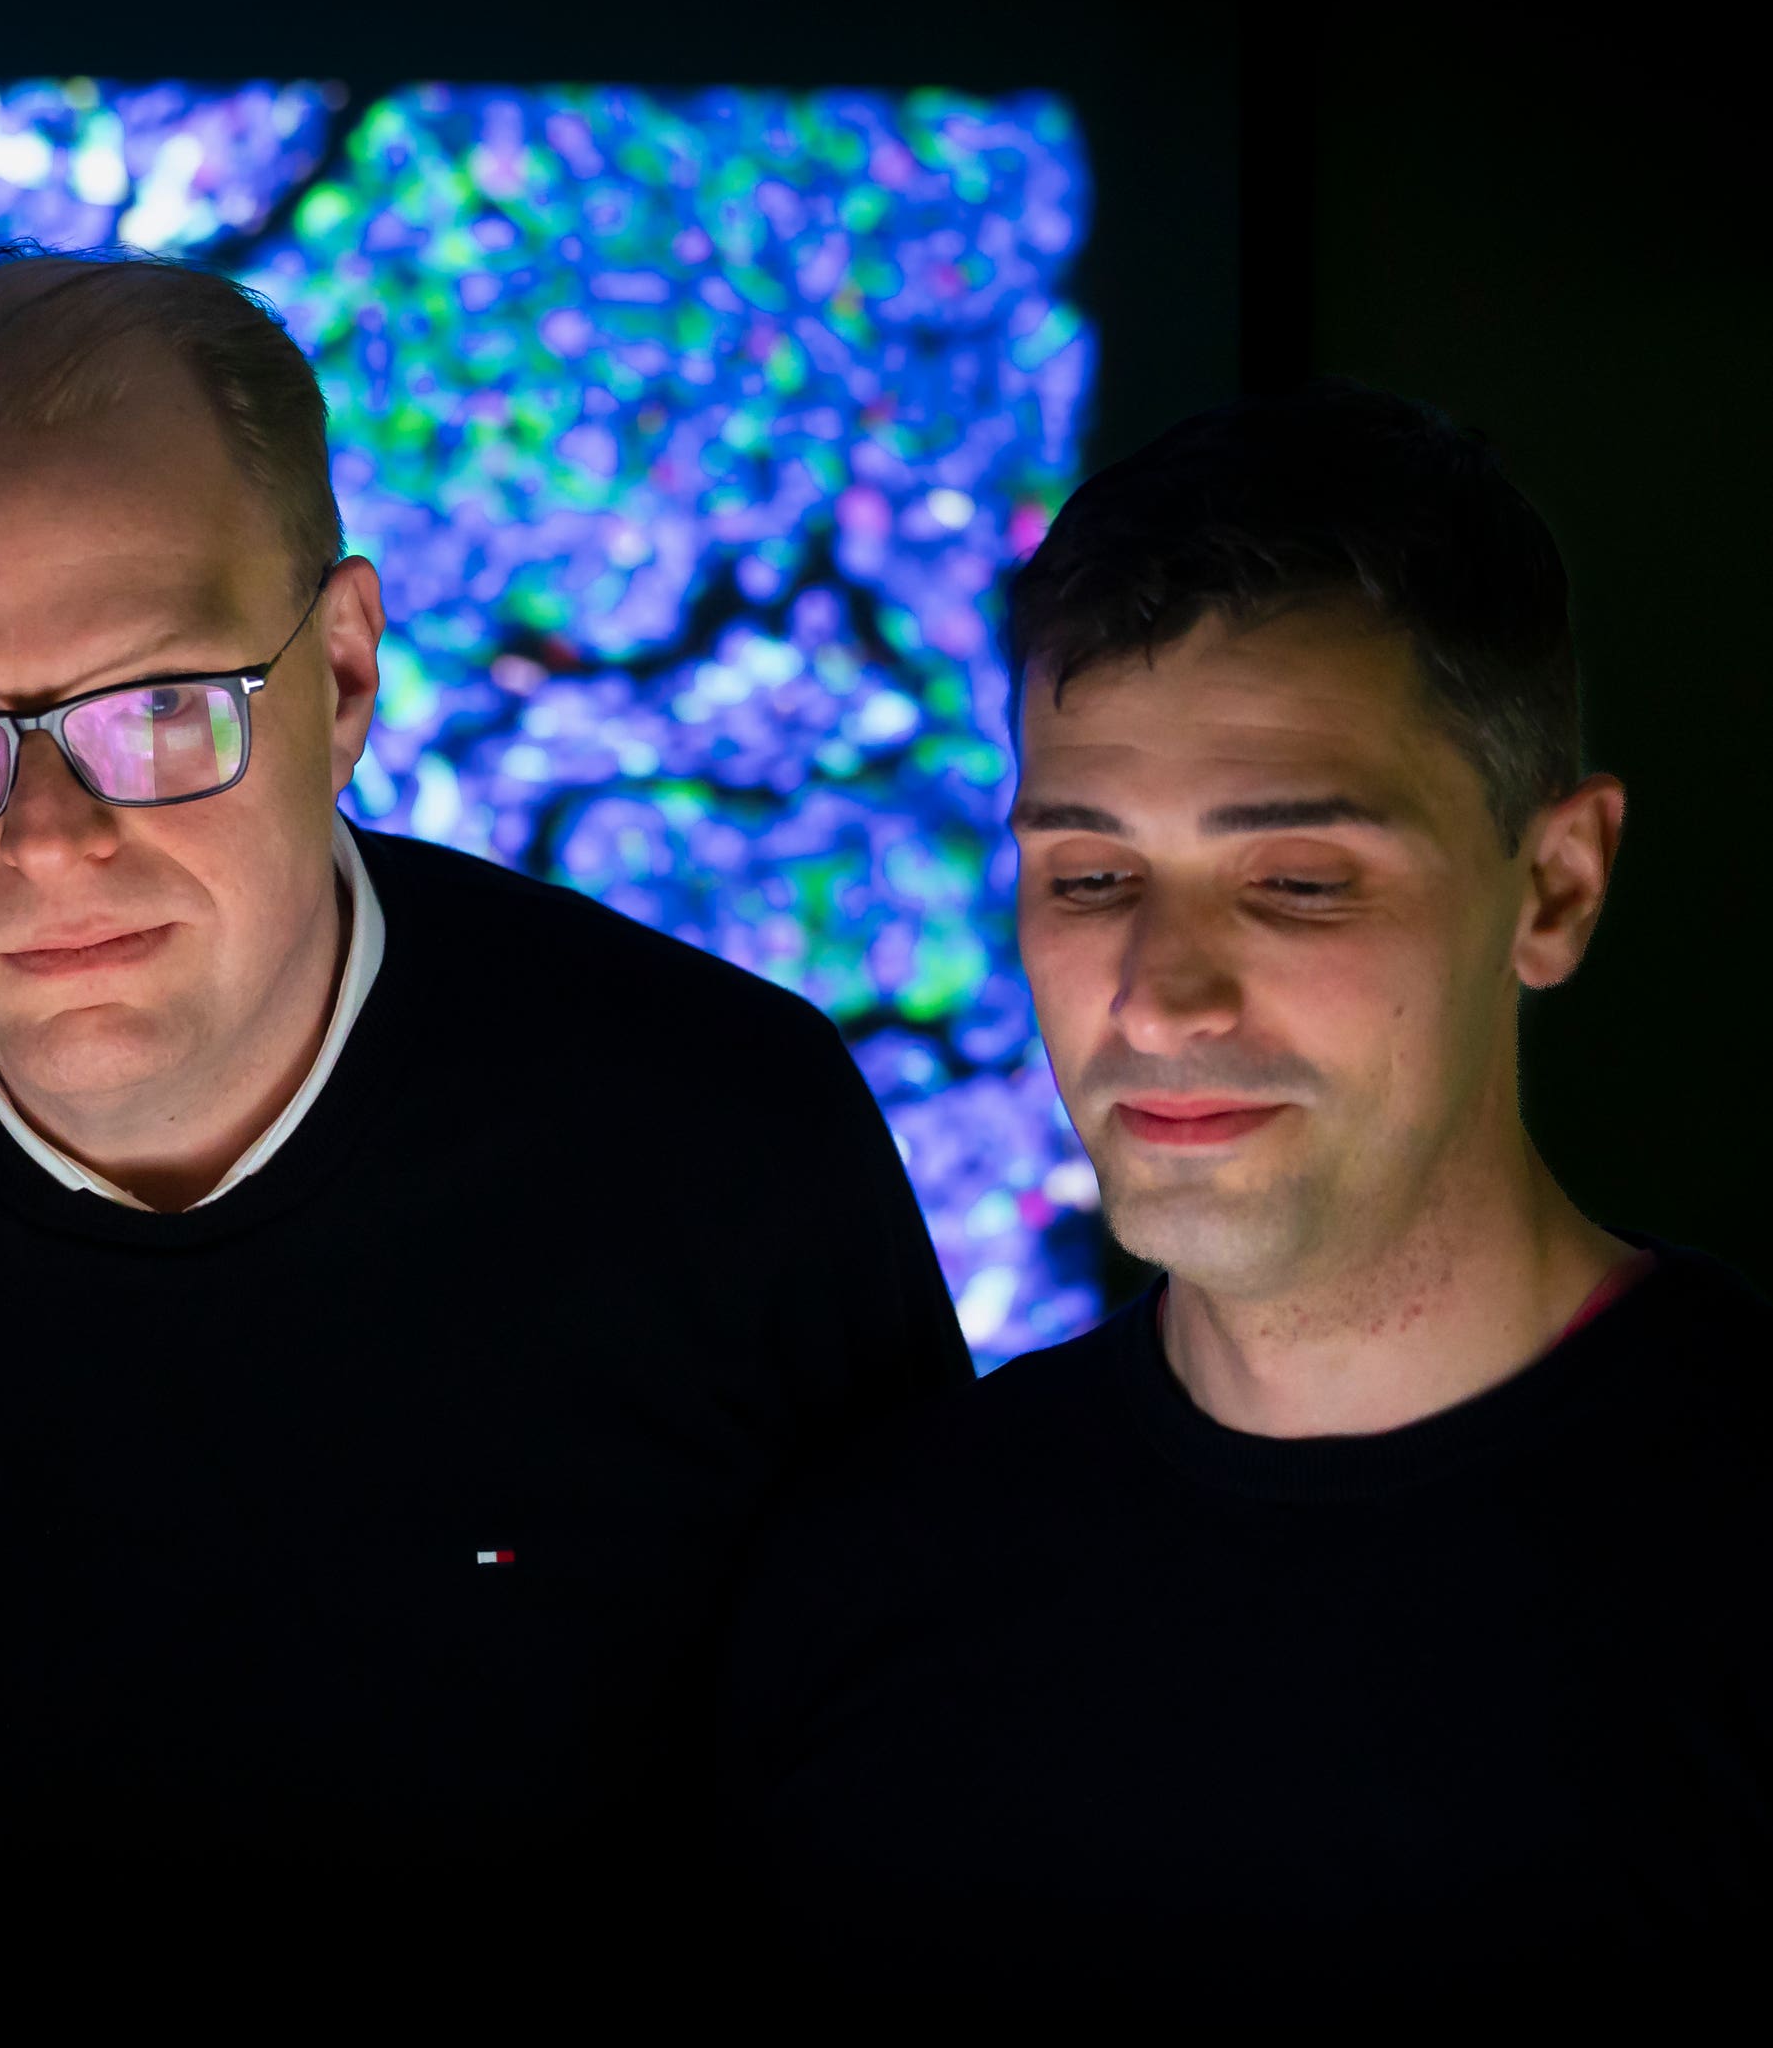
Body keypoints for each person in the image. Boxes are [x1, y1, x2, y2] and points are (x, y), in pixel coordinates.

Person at [0, 245, 969, 1917]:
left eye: (155, 709)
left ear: (345, 676)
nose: (48, 840)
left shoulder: (721, 1138)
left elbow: (930, 1842)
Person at [721, 383, 1771, 1986]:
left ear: (1553, 887)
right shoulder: (865, 1578)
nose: (1162, 995)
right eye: (1090, 875)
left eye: (1292, 879)